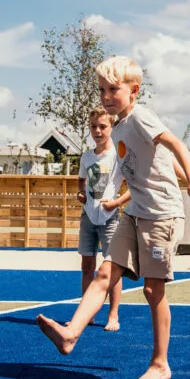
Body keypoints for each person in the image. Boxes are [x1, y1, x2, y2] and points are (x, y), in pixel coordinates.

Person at [37, 55, 190, 379]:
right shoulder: (118, 126)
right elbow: (162, 158)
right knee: (105, 272)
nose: (106, 96)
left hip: (161, 215)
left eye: (113, 89)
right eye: (102, 89)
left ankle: (160, 366)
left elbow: (176, 144)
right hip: (134, 214)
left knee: (152, 289)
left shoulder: (141, 117)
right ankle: (71, 334)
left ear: (134, 90)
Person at [76, 107, 131, 332]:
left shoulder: (118, 155)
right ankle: (86, 314)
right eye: (93, 127)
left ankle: (113, 314)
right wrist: (80, 194)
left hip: (110, 218)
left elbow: (134, 187)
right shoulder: (87, 157)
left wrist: (117, 203)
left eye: (102, 127)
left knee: (112, 268)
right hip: (88, 216)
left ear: (111, 127)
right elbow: (81, 181)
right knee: (87, 266)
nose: (97, 131)